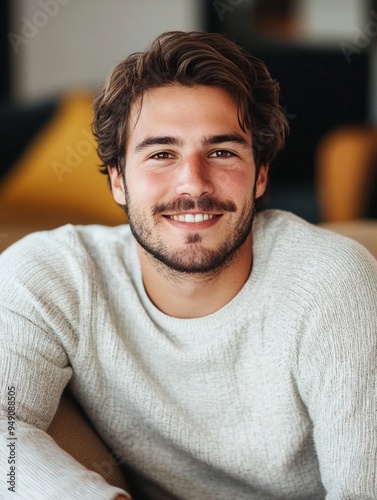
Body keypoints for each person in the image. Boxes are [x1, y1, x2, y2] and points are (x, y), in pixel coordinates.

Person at [1, 30, 377, 500]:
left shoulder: (332, 283)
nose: (193, 183)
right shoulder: (53, 275)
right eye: (161, 154)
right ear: (118, 181)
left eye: (221, 152)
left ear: (260, 174)